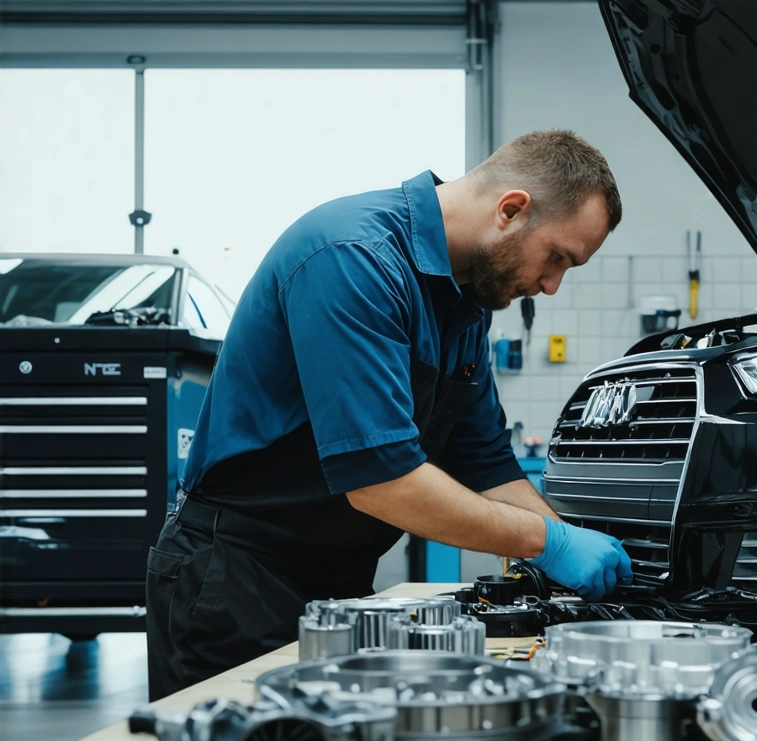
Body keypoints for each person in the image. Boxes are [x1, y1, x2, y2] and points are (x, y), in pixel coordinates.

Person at [145, 130, 633, 699]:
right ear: (511, 210)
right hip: (234, 581)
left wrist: (565, 537)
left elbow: (486, 463)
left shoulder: (465, 303)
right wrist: (546, 542)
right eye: (557, 258)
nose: (549, 286)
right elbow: (380, 481)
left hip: (335, 583)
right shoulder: (354, 259)